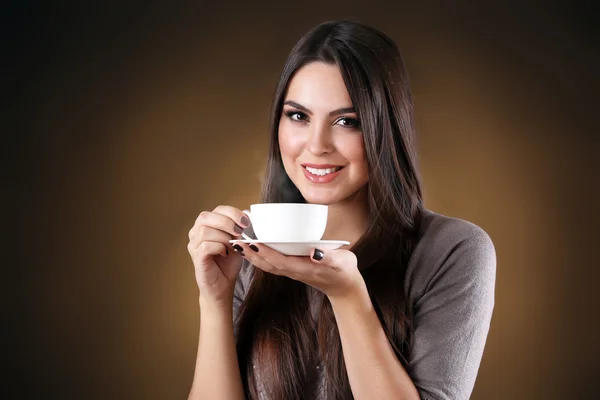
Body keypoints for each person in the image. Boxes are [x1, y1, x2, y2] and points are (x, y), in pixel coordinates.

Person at [187, 20, 496, 400]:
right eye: (298, 116)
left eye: (346, 121)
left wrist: (349, 297)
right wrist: (215, 300)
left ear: (386, 129)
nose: (316, 145)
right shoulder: (253, 253)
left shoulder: (452, 250)